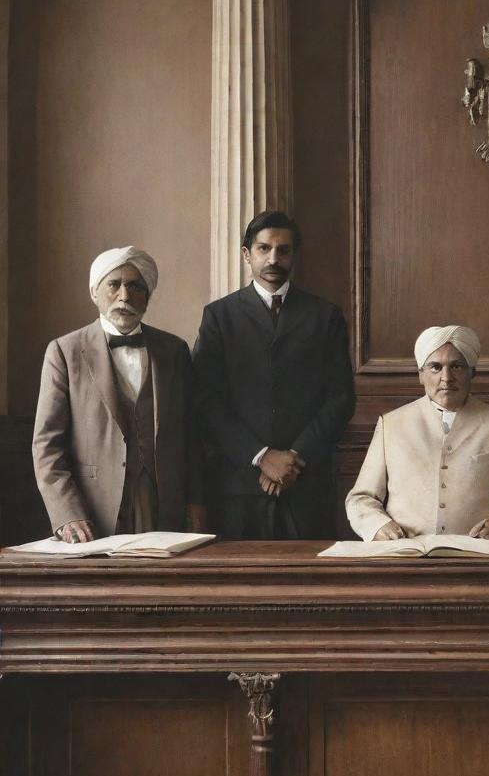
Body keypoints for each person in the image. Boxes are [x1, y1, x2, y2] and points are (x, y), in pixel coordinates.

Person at [192, 211, 356, 539]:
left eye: (283, 250)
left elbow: (340, 399)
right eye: (264, 249)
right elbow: (206, 400)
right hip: (239, 486)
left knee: (312, 587)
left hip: (307, 486)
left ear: (294, 255)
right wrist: (262, 456)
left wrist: (294, 458)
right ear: (246, 254)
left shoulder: (325, 316)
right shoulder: (220, 317)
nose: (273, 259)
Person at [32, 247, 203, 542]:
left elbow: (192, 437)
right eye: (114, 284)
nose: (125, 296)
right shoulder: (64, 351)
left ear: (147, 296)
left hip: (163, 507)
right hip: (92, 510)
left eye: (135, 286)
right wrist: (68, 512)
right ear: (94, 292)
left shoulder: (174, 351)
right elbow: (46, 446)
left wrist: (196, 504)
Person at [346, 325, 489, 542]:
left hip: (479, 558)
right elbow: (361, 498)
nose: (447, 377)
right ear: (421, 375)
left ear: (472, 373)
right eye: (435, 367)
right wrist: (378, 526)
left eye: (457, 367)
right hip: (405, 556)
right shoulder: (391, 425)